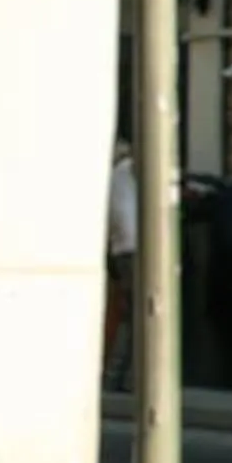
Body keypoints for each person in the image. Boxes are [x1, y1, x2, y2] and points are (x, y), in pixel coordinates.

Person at [104, 133, 137, 393]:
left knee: (129, 313)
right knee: (135, 316)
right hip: (133, 247)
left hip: (121, 250)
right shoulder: (126, 171)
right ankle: (121, 376)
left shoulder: (114, 177)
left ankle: (116, 375)